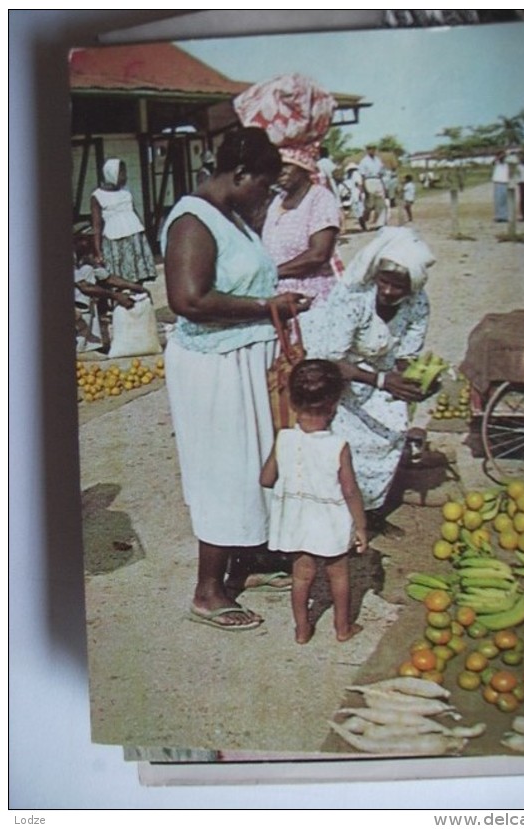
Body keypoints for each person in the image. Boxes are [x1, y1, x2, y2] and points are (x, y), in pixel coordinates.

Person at [160, 127, 312, 631]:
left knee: (254, 463)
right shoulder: (192, 219)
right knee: (223, 471)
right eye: (264, 186)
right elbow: (188, 300)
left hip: (243, 358)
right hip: (214, 369)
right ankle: (207, 590)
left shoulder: (233, 219)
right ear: (239, 174)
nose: (266, 195)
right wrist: (267, 307)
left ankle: (251, 558)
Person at [301, 227, 435, 535]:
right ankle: (339, 513)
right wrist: (381, 380)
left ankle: (371, 511)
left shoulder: (418, 303)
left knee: (391, 430)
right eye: (384, 282)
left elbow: (407, 353)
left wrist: (413, 381)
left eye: (398, 287)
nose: (388, 291)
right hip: (334, 368)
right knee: (342, 443)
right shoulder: (354, 297)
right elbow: (330, 359)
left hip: (380, 370)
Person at [260, 359, 368, 644]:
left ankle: (302, 629)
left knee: (302, 576)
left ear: (292, 402)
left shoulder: (283, 439)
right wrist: (361, 526)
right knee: (339, 575)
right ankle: (343, 628)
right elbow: (349, 490)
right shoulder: (338, 446)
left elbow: (266, 479)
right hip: (330, 521)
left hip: (297, 520)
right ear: (334, 406)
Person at [261, 145, 341, 308]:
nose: (280, 172)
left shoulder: (320, 198)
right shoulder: (277, 201)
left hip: (310, 296)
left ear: (303, 167)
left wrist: (273, 273)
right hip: (279, 295)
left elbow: (318, 254)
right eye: (276, 167)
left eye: (286, 165)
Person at [91, 158, 158, 284]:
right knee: (117, 279)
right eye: (121, 173)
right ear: (111, 174)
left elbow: (134, 212)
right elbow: (97, 224)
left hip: (134, 237)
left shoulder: (126, 192)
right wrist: (98, 251)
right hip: (114, 240)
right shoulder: (97, 196)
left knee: (138, 277)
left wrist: (143, 233)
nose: (125, 176)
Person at [358, 144, 387, 229]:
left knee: (381, 204)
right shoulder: (364, 161)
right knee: (369, 205)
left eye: (373, 149)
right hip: (368, 181)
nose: (372, 151)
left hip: (378, 180)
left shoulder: (378, 160)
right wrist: (364, 188)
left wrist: (383, 185)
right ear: (367, 150)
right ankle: (363, 219)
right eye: (370, 149)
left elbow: (382, 173)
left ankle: (380, 224)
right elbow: (362, 176)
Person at [344, 162, 367, 231]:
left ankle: (363, 226)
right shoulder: (354, 174)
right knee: (359, 211)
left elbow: (357, 184)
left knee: (358, 211)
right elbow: (359, 184)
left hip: (354, 194)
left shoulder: (349, 176)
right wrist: (361, 192)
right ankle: (363, 227)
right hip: (356, 194)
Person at [491, 151, 511, 222]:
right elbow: (493, 162)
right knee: (498, 200)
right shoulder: (497, 163)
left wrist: (506, 154)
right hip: (498, 183)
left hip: (505, 183)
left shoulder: (506, 164)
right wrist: (499, 156)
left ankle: (504, 216)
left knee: (504, 200)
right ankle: (498, 216)